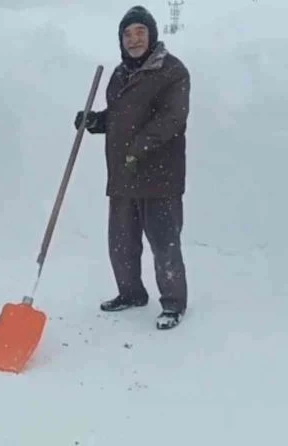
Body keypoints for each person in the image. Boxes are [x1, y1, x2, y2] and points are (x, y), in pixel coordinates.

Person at [74, 5, 190, 330]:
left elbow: (172, 119)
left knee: (164, 242)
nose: (134, 39)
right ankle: (131, 293)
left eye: (140, 32)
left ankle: (173, 303)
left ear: (152, 35)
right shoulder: (120, 74)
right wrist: (95, 121)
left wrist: (137, 149)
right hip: (124, 173)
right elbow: (119, 117)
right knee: (121, 242)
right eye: (127, 34)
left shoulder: (172, 71)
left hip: (160, 174)